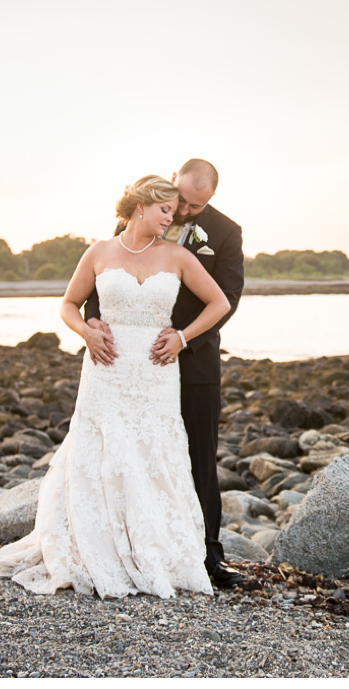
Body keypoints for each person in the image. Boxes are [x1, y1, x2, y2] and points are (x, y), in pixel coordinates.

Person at [0, 175, 230, 598]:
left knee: (153, 453)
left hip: (155, 370)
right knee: (100, 451)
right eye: (165, 210)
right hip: (106, 368)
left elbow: (220, 302)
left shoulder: (177, 256)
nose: (172, 219)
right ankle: (95, 547)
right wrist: (86, 332)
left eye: (174, 212)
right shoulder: (98, 251)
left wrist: (182, 337)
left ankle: (153, 549)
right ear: (141, 206)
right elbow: (67, 304)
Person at [83, 159, 246, 590]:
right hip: (127, 362)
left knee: (197, 454)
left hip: (193, 360)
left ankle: (207, 555)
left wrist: (184, 339)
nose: (186, 211)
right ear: (173, 182)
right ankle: (130, 545)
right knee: (130, 449)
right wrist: (92, 322)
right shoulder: (144, 210)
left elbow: (227, 297)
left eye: (197, 205)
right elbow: (105, 277)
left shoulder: (227, 233)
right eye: (183, 201)